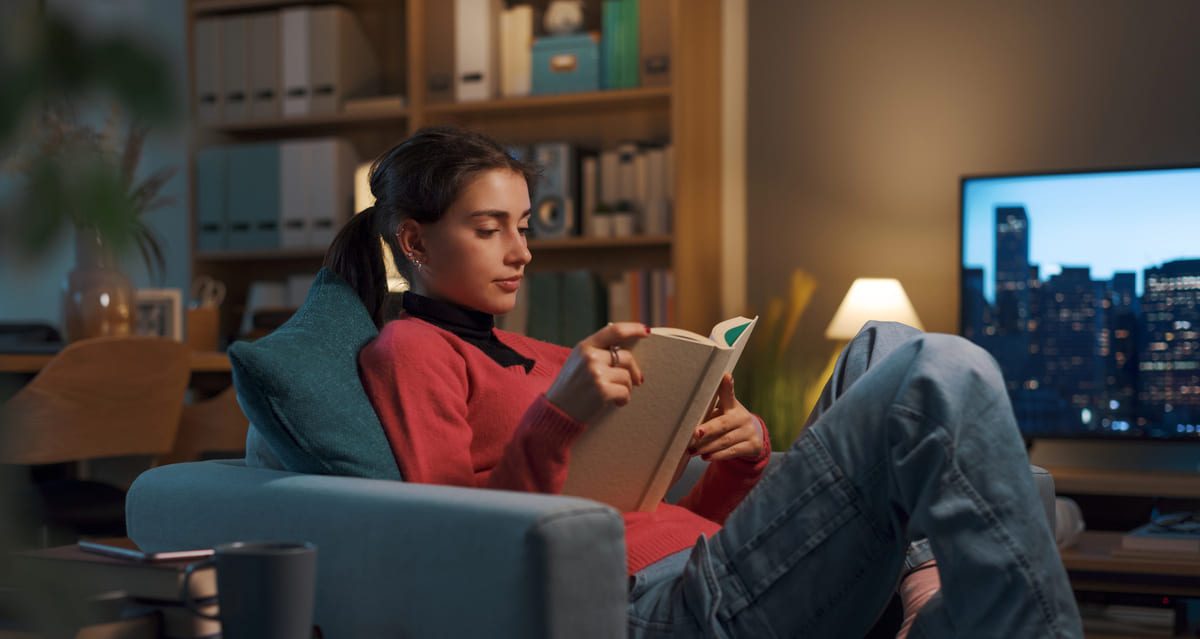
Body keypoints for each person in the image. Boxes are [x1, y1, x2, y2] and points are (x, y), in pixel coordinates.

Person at [324, 126, 1084, 638]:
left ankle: (917, 593)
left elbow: (664, 511)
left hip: (713, 560)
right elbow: (463, 543)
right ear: (415, 240)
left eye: (524, 225)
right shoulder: (411, 349)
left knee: (889, 342)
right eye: (489, 229)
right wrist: (557, 418)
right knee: (938, 372)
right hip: (656, 606)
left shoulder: (542, 350)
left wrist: (742, 453)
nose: (520, 251)